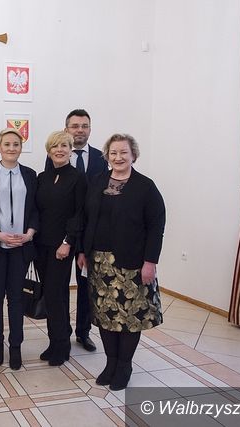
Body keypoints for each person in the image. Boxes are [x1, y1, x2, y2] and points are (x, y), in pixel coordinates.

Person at [77, 133, 165, 391]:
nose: (118, 157)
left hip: (132, 263)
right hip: (99, 262)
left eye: (123, 152)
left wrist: (150, 262)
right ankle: (111, 363)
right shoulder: (97, 181)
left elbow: (156, 227)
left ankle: (124, 366)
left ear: (133, 155)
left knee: (129, 317)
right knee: (105, 316)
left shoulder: (145, 187)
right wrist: (82, 251)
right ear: (107, 156)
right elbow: (85, 218)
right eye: (113, 153)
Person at [44, 109, 107, 352]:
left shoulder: (102, 158)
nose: (80, 130)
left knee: (86, 285)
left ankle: (83, 332)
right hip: (63, 235)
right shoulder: (56, 156)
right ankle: (62, 333)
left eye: (84, 126)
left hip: (91, 234)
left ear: (90, 129)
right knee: (58, 287)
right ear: (66, 129)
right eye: (75, 126)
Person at [0, 129, 38, 370]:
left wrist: (29, 234)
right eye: (7, 144)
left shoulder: (30, 175)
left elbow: (35, 209)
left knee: (16, 298)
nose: (12, 148)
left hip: (21, 247)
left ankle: (16, 346)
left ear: (21, 147)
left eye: (16, 144)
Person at [35, 131, 87, 366]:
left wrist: (68, 242)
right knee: (51, 295)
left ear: (70, 150)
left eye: (64, 146)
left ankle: (61, 345)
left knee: (55, 295)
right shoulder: (42, 177)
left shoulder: (78, 178)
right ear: (49, 151)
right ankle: (55, 341)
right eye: (55, 146)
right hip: (41, 246)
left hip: (62, 247)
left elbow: (79, 214)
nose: (59, 150)